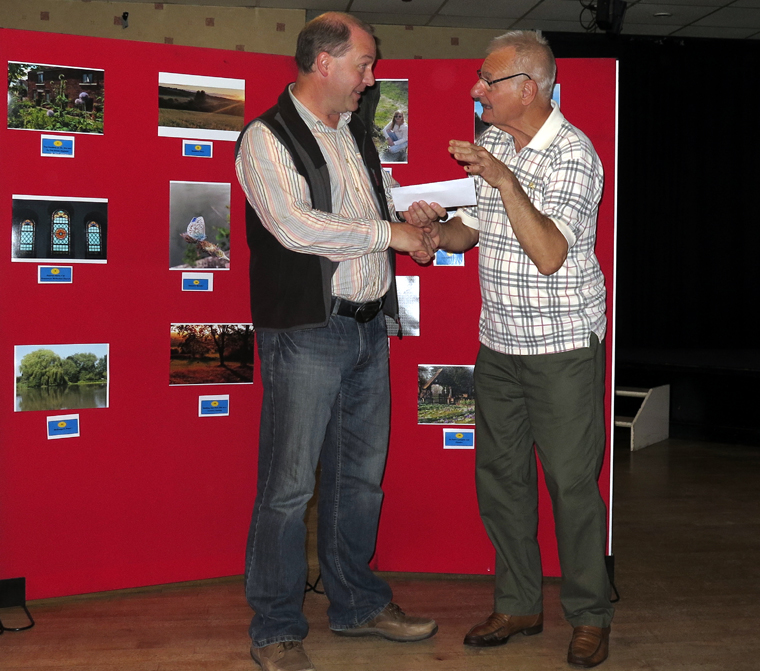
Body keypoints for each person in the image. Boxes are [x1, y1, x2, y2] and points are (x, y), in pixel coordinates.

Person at [234, 12, 438, 671]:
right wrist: (388, 234)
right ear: (324, 63)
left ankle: (356, 604)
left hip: (368, 330)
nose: (371, 79)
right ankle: (275, 627)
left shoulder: (351, 132)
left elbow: (366, 207)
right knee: (289, 486)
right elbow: (296, 226)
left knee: (359, 482)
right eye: (364, 64)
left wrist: (408, 214)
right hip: (306, 335)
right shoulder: (264, 137)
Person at [411, 29, 614, 669]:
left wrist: (505, 180)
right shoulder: (495, 142)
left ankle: (589, 615)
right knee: (501, 480)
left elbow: (550, 253)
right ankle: (519, 604)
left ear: (528, 88)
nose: (476, 89)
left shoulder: (574, 155)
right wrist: (432, 229)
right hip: (498, 345)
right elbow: (470, 230)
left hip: (561, 348)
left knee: (571, 487)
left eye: (487, 80)